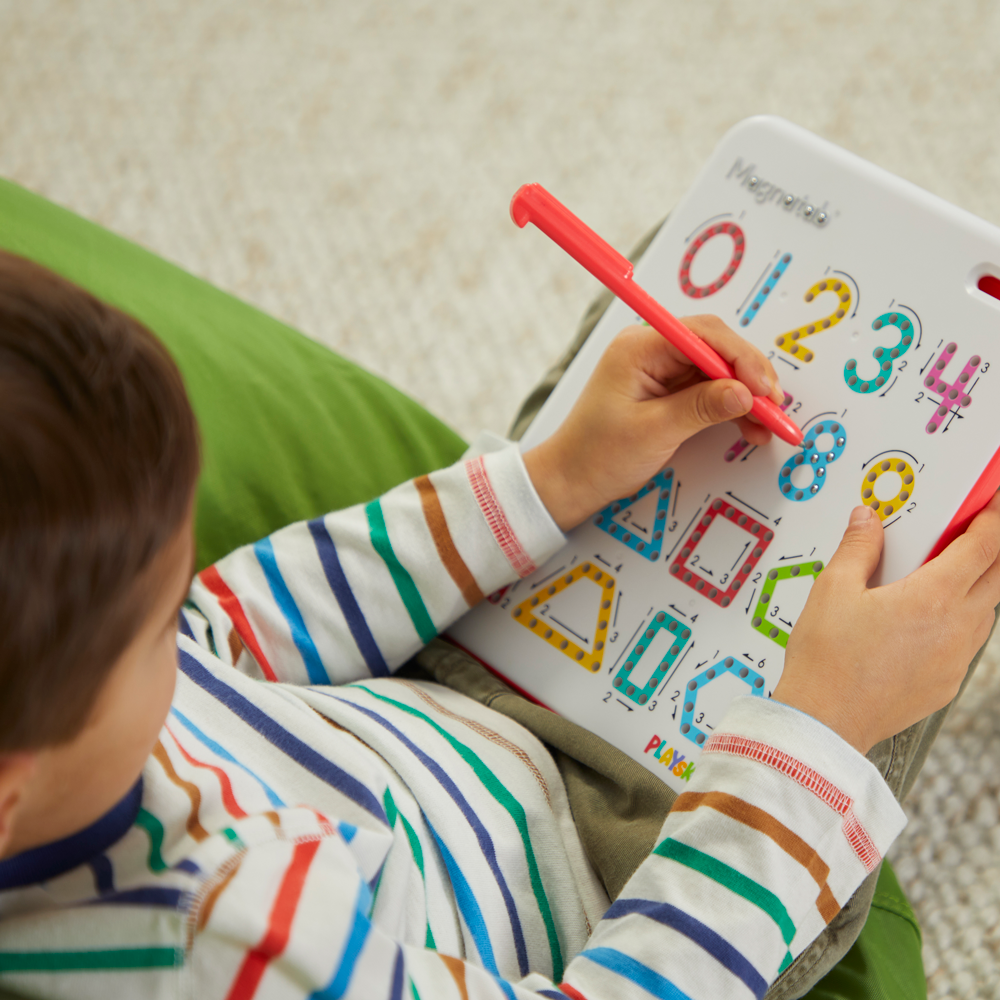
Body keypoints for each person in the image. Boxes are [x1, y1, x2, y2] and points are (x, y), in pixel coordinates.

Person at [0, 247, 998, 1000]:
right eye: (154, 634)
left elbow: (228, 633)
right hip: (627, 877)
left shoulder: (69, 722)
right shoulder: (230, 950)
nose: (181, 632)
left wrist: (549, 479)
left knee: (692, 301)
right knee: (938, 545)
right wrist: (815, 736)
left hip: (445, 688)